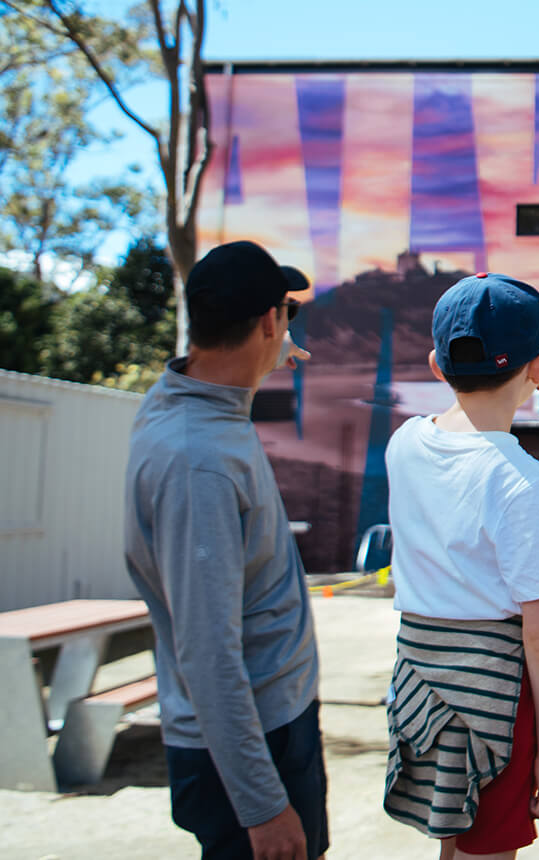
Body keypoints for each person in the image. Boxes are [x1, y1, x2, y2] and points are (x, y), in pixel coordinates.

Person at [124, 240, 326, 860]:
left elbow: (215, 372)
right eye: (285, 313)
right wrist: (262, 806)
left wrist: (268, 356)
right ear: (268, 319)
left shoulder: (189, 399)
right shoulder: (198, 464)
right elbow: (207, 650)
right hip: (249, 745)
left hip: (264, 724)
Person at [382, 272, 539, 859]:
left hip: (422, 679)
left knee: (457, 844)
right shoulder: (527, 483)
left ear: (438, 366)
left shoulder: (404, 443)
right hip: (492, 693)